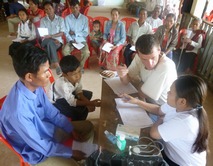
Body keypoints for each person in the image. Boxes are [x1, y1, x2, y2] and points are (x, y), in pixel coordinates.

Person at [0, 44, 94, 165]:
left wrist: (70, 129)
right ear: (29, 76)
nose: (50, 75)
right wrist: (71, 152)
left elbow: (52, 112)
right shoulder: (18, 112)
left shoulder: (35, 85)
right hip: (37, 151)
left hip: (46, 129)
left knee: (88, 127)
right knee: (75, 162)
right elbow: (42, 146)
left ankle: (80, 156)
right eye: (45, 72)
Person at [120, 74, 209, 166]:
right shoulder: (181, 106)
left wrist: (160, 119)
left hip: (180, 163)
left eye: (170, 92)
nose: (167, 93)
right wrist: (136, 101)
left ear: (182, 101)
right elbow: (158, 110)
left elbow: (154, 133)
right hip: (171, 154)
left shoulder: (185, 121)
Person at [117, 34, 177, 106]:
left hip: (162, 107)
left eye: (153, 58)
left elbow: (143, 94)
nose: (150, 64)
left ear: (159, 50)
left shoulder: (166, 66)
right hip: (145, 100)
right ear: (138, 54)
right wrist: (123, 75)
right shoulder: (138, 57)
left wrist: (138, 82)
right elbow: (126, 81)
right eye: (144, 59)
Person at [47, 55, 101, 121]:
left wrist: (88, 103)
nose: (78, 76)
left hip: (67, 95)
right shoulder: (62, 85)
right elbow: (72, 102)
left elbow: (78, 91)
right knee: (77, 112)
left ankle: (83, 111)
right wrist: (91, 104)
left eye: (79, 71)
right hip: (56, 103)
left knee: (88, 94)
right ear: (64, 74)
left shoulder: (76, 77)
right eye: (73, 74)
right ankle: (78, 121)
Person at [63, 0, 90, 69]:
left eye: (76, 7)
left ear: (79, 7)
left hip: (81, 40)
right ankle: (73, 65)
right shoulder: (67, 18)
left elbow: (86, 32)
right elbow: (66, 32)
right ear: (70, 8)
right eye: (72, 8)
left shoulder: (84, 19)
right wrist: (71, 40)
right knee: (65, 51)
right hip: (71, 40)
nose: (74, 9)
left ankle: (80, 67)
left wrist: (75, 32)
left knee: (86, 53)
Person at [40, 1, 65, 75]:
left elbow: (62, 33)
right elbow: (43, 34)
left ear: (53, 8)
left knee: (50, 45)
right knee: (50, 42)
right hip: (46, 41)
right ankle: (57, 65)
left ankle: (48, 64)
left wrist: (51, 36)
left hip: (57, 41)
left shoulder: (60, 19)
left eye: (50, 8)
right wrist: (53, 38)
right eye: (46, 9)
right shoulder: (43, 20)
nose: (48, 11)